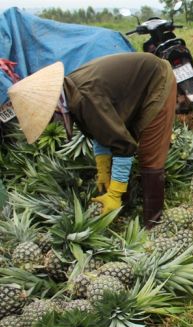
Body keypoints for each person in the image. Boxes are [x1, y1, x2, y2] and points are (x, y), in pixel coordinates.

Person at [7, 52, 177, 229]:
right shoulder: (69, 92)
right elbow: (99, 131)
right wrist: (103, 169)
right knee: (121, 141)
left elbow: (124, 146)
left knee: (150, 154)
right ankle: (125, 209)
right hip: (135, 90)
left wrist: (114, 194)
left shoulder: (84, 98)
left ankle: (154, 224)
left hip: (157, 79)